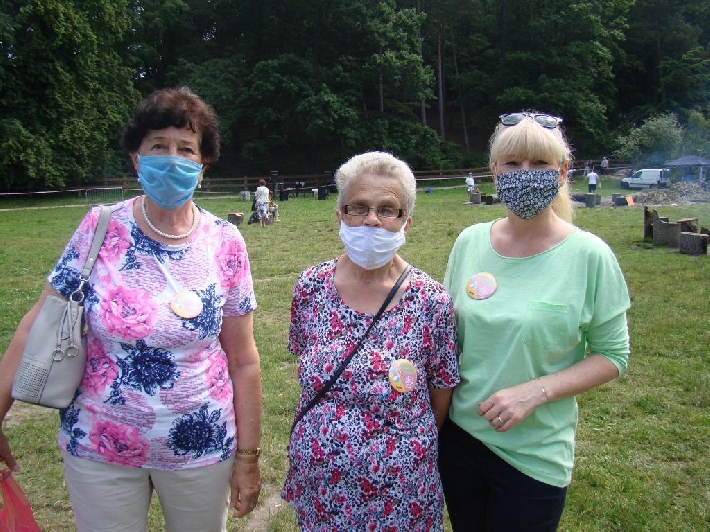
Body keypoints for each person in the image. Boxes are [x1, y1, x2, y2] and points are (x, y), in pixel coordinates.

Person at [0, 87, 263, 532]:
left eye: (186, 149)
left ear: (203, 166)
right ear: (137, 159)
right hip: (100, 446)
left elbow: (243, 360)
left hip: (201, 447)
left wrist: (249, 457)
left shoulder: (226, 241)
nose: (172, 159)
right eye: (158, 146)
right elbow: (37, 323)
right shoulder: (100, 226)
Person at [439, 111, 630, 531]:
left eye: (540, 163)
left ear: (562, 172)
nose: (525, 173)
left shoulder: (590, 255)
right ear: (494, 172)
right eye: (513, 163)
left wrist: (535, 392)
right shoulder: (470, 242)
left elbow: (613, 355)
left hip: (535, 452)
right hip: (461, 440)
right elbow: (445, 339)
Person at [282, 151, 460, 531]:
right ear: (340, 215)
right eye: (359, 207)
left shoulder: (432, 300)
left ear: (406, 221)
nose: (372, 220)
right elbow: (307, 370)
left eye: (387, 209)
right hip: (321, 492)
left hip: (402, 495)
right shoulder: (310, 286)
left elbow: (440, 397)